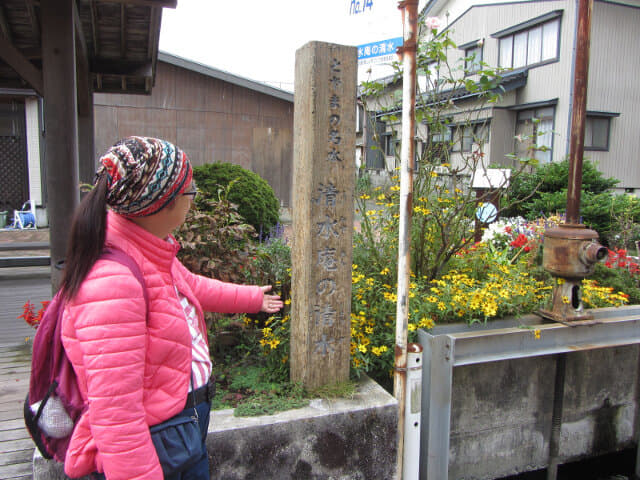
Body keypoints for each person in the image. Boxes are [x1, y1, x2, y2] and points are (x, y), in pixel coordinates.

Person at [59, 136, 283, 480]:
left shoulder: (146, 248)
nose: (193, 200)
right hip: (159, 438)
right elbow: (117, 416)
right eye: (190, 192)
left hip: (179, 423)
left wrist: (252, 298)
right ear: (162, 203)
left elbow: (192, 286)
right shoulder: (113, 282)